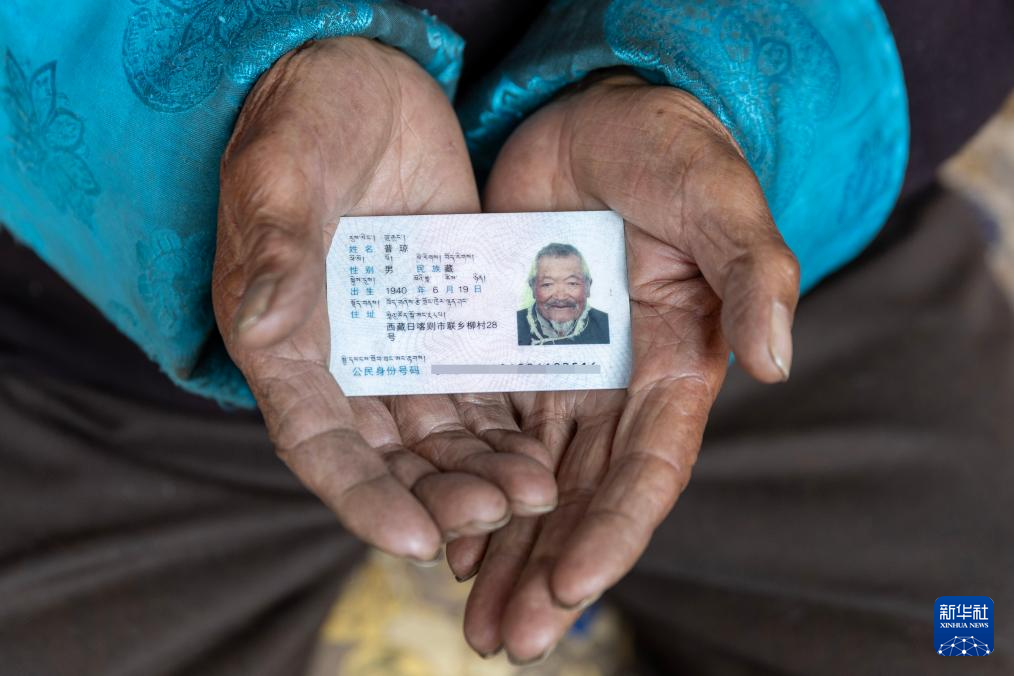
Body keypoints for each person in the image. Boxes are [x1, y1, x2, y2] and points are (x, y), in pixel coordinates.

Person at [0, 1, 1012, 675]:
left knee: (972, 634)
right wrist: (237, 89)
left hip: (725, 289)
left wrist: (726, 97)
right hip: (101, 346)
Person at [517, 242, 610, 346]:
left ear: (588, 287)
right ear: (533, 288)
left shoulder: (607, 326)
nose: (560, 297)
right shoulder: (513, 325)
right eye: (548, 284)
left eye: (572, 283)